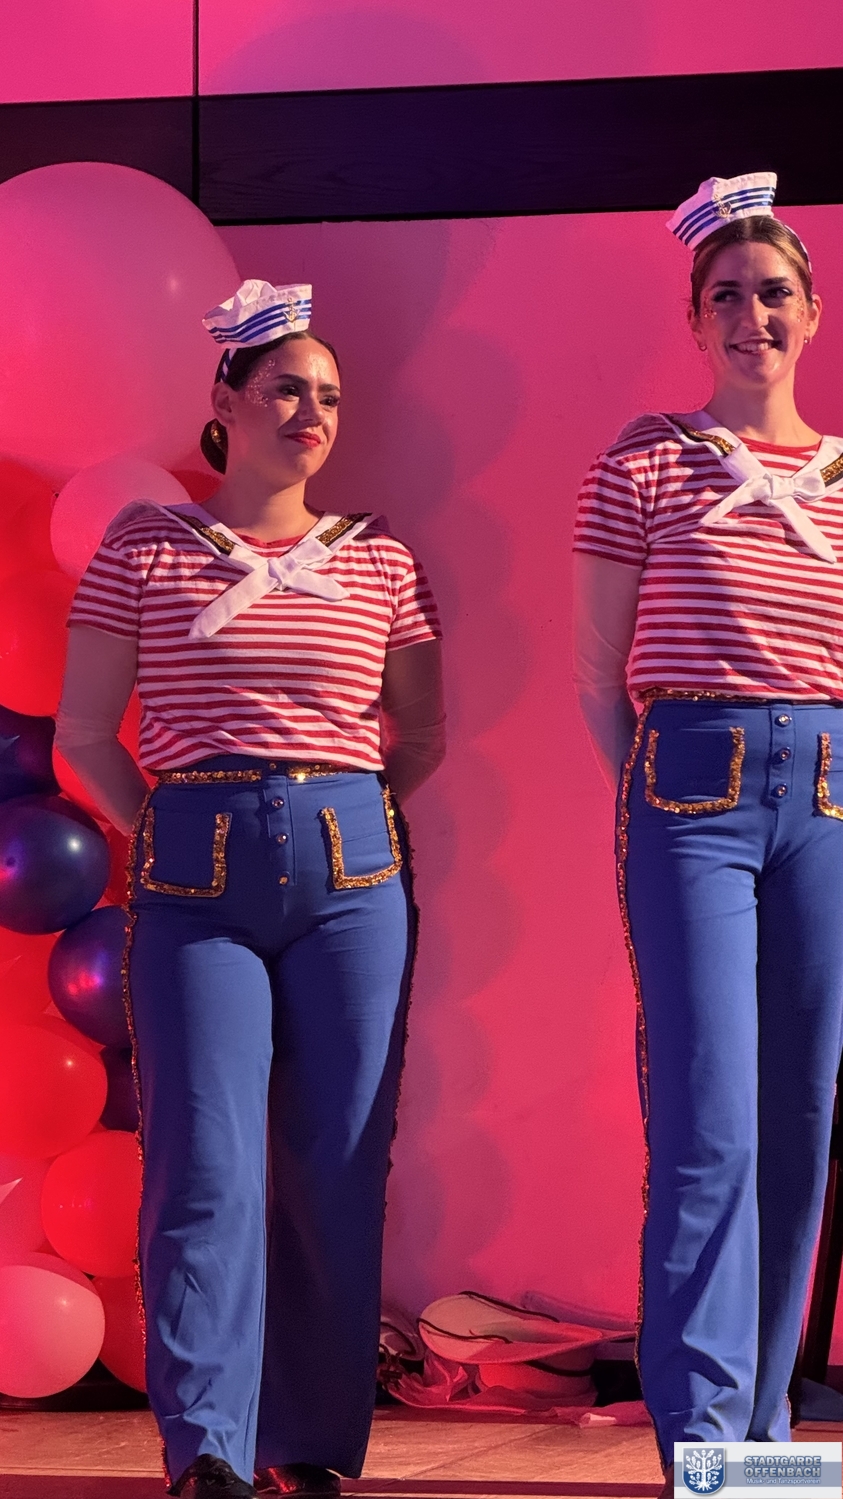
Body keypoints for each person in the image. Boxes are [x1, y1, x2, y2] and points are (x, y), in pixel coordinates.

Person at [56, 280, 445, 1499]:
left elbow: (422, 732)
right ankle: (209, 1450)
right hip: (194, 872)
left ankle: (310, 1444)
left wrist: (345, 822)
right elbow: (84, 734)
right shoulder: (144, 546)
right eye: (285, 388)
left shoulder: (380, 556)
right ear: (224, 401)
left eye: (327, 394)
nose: (310, 411)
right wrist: (172, 831)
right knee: (205, 1165)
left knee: (336, 1163)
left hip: (353, 871)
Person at [571, 174, 843, 1484]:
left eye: (773, 292)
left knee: (799, 1112)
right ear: (694, 319)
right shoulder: (642, 459)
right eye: (725, 296)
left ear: (812, 309)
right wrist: (660, 792)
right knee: (706, 1117)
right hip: (690, 787)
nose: (752, 316)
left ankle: (765, 1439)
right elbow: (595, 674)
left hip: (829, 794)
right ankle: (702, 1438)